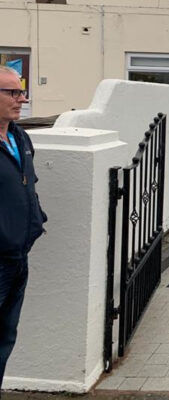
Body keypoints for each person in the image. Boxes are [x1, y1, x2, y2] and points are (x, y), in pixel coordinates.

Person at [0, 66, 47, 389]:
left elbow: (27, 183)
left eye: (21, 91)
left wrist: (35, 220)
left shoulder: (19, 136)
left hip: (18, 258)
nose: (22, 99)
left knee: (5, 338)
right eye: (13, 93)